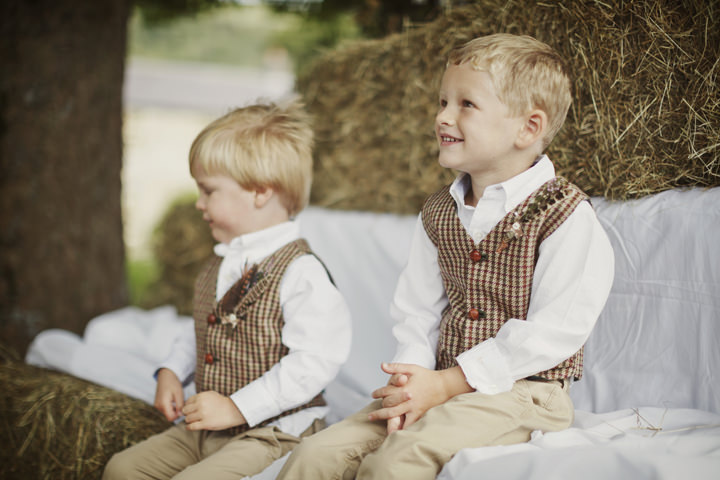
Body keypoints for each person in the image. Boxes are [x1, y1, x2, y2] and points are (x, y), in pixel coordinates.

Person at [276, 33, 615, 480]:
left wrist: (447, 384)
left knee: (398, 460)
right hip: (438, 383)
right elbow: (418, 311)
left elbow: (550, 334)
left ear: (528, 128)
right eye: (442, 101)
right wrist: (413, 381)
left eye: (465, 105)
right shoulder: (439, 213)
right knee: (313, 456)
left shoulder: (565, 216)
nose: (442, 116)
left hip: (525, 394)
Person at [103, 100, 352, 479]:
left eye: (209, 191)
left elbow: (315, 362)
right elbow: (204, 330)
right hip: (209, 427)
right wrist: (172, 370)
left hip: (272, 431)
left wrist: (238, 408)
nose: (199, 204)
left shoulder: (301, 273)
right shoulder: (220, 262)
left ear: (260, 192)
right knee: (123, 469)